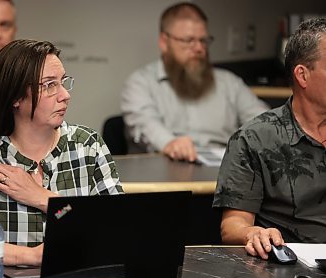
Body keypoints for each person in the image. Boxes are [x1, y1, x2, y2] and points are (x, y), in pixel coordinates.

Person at [0, 39, 124, 266]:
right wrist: (32, 257)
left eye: (63, 82)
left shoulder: (87, 146)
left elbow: (118, 228)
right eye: (50, 85)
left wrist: (44, 198)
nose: (65, 95)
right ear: (15, 97)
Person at [213, 18, 326, 259]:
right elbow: (233, 224)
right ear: (302, 76)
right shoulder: (255, 138)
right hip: (292, 271)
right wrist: (252, 233)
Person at [121, 2, 268, 162]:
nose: (199, 48)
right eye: (188, 40)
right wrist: (171, 143)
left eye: (203, 40)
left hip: (225, 174)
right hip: (164, 172)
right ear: (164, 42)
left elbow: (263, 122)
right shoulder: (140, 83)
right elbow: (145, 124)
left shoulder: (229, 83)